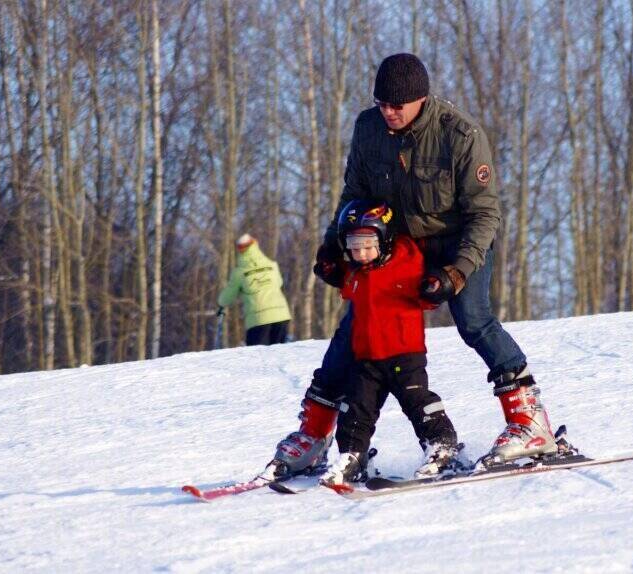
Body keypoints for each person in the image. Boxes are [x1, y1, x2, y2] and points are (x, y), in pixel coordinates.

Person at [262, 53, 566, 481]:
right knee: (356, 329)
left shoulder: (459, 134)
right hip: (400, 249)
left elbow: (485, 215)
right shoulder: (368, 129)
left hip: (460, 242)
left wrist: (457, 272)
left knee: (474, 319)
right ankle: (313, 434)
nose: (388, 112)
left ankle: (530, 422)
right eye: (382, 103)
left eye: (396, 105)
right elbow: (354, 193)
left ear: (420, 99)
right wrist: (334, 247)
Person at [316, 200, 461, 486]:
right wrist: (330, 268)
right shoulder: (356, 271)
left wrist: (434, 286)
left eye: (367, 243)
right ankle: (352, 456)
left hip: (404, 355)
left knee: (417, 402)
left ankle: (441, 446)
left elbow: (427, 293)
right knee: (356, 410)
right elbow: (343, 281)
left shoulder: (408, 260)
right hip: (367, 358)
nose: (360, 252)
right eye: (353, 245)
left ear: (385, 238)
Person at [217, 233, 292, 346]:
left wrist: (221, 304)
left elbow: (227, 297)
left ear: (240, 250)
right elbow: (279, 283)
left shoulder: (239, 272)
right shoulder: (272, 265)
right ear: (255, 245)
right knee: (279, 356)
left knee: (257, 358)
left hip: (258, 319)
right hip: (281, 315)